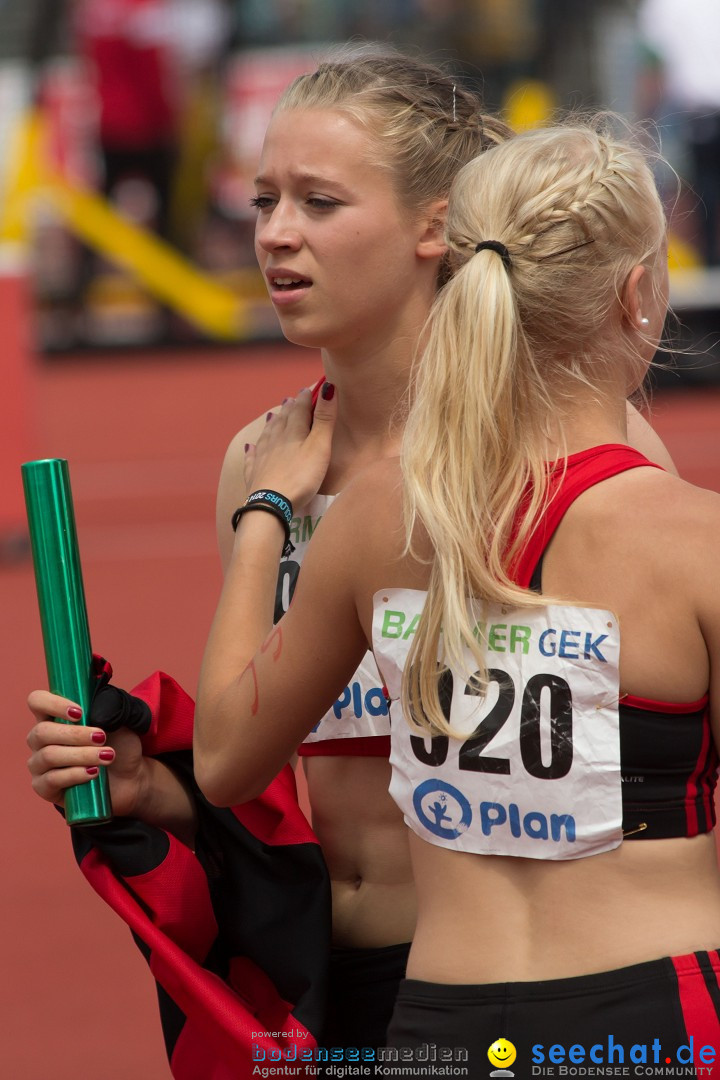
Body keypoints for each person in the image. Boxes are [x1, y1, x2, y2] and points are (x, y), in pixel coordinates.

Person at [26, 50, 681, 1058]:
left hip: (510, 977)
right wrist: (152, 789)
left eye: (321, 202)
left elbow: (647, 752)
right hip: (327, 978)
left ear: (436, 226)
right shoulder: (260, 464)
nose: (277, 233)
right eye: (264, 200)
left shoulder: (569, 451)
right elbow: (269, 767)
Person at [192, 117, 720, 1069]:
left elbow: (225, 760)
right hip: (654, 1014)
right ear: (638, 296)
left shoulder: (377, 520)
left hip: (441, 1026)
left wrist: (265, 512)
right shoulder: (696, 542)